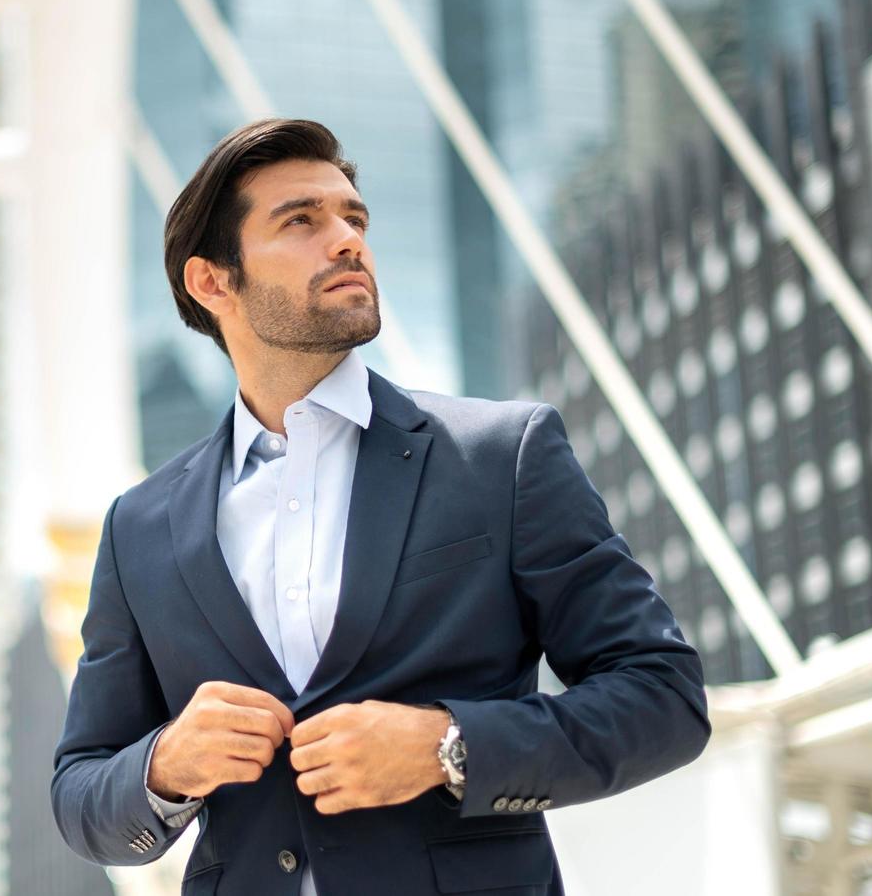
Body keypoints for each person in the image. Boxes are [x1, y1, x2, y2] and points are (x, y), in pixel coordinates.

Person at [50, 118, 710, 895]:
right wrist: (164, 765)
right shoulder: (141, 528)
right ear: (212, 282)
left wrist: (448, 745)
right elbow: (80, 790)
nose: (347, 239)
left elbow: (662, 696)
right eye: (302, 220)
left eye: (353, 218)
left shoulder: (502, 456)